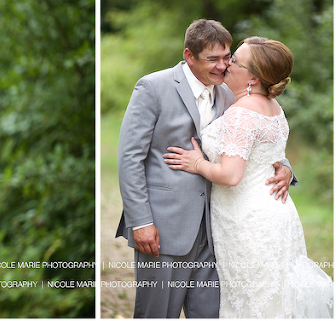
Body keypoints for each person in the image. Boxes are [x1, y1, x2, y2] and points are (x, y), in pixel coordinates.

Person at [115, 19, 295, 318]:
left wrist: (285, 167)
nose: (222, 66)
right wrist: (140, 221)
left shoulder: (231, 92)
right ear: (189, 56)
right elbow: (130, 157)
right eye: (213, 59)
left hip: (219, 232)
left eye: (227, 57)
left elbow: (257, 139)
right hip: (165, 225)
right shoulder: (153, 87)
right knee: (157, 313)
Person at [164, 36, 333, 318]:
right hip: (276, 216)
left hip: (247, 221)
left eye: (235, 61)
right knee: (274, 297)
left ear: (253, 78)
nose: (227, 64)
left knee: (253, 300)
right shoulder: (274, 108)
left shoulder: (242, 113)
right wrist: (286, 168)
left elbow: (231, 175)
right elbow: (268, 157)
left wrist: (197, 163)